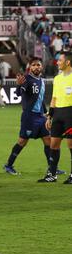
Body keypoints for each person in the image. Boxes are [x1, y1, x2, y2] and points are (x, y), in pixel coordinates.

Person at [4, 57, 65, 176]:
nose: (36, 67)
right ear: (30, 67)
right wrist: (18, 85)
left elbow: (40, 99)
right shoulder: (26, 79)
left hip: (40, 117)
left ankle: (52, 168)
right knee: (22, 142)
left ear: (41, 67)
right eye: (34, 65)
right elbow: (18, 94)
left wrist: (47, 113)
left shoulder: (41, 80)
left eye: (38, 65)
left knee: (48, 141)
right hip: (29, 116)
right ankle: (9, 165)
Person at [38, 52, 72, 184]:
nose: (57, 62)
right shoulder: (57, 78)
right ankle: (52, 175)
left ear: (67, 62)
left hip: (70, 113)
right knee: (54, 144)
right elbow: (54, 98)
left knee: (70, 144)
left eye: (60, 60)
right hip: (58, 114)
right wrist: (49, 117)